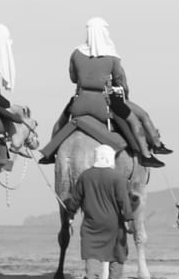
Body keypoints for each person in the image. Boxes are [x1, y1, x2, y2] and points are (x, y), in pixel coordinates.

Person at [38, 17, 170, 167]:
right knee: (135, 119)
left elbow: (73, 78)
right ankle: (147, 154)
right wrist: (123, 96)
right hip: (103, 103)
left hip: (80, 102)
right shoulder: (111, 56)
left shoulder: (76, 53)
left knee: (62, 120)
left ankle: (49, 152)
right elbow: (121, 81)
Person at [65, 143, 136, 279]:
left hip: (91, 222)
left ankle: (91, 278)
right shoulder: (117, 177)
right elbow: (124, 201)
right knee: (118, 252)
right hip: (113, 223)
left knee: (92, 252)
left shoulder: (85, 176)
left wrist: (69, 212)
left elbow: (76, 200)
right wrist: (130, 220)